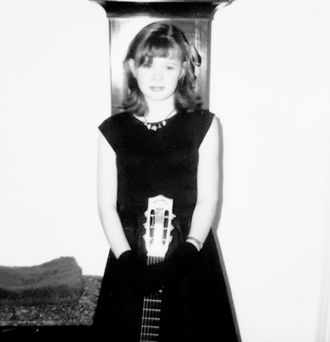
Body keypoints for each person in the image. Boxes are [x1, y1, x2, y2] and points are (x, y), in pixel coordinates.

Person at [93, 21, 241, 342]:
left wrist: (189, 252)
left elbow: (208, 200)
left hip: (190, 256)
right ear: (132, 68)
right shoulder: (111, 130)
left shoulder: (205, 125)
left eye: (168, 66)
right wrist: (127, 261)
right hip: (130, 255)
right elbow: (106, 205)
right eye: (147, 65)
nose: (157, 76)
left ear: (183, 69)